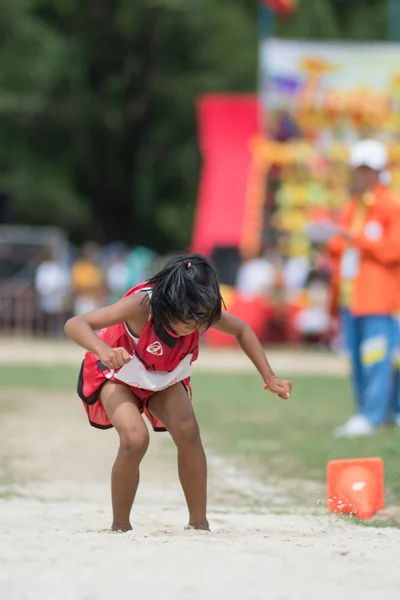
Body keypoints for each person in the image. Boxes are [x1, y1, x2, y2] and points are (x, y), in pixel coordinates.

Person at [64, 254, 292, 532]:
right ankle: (120, 525)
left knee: (188, 431)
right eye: (187, 321)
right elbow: (76, 323)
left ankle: (199, 524)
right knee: (135, 439)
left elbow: (242, 330)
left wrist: (269, 377)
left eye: (200, 322)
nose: (194, 328)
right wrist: (104, 351)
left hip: (163, 375)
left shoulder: (201, 311)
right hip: (118, 371)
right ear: (169, 303)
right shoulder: (141, 304)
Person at [328, 139, 400, 437]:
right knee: (358, 359)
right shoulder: (353, 205)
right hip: (351, 296)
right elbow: (339, 245)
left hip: (378, 298)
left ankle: (374, 415)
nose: (359, 175)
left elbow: (394, 249)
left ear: (377, 172)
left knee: (377, 358)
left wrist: (358, 239)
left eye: (365, 170)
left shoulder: (389, 205)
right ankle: (372, 413)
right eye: (357, 169)